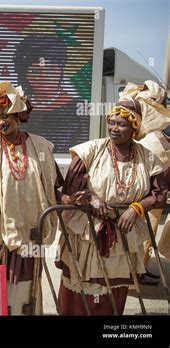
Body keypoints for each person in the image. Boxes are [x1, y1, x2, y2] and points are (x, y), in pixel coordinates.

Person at [55, 95, 168, 315]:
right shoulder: (89, 152)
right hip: (87, 232)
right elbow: (70, 192)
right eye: (111, 123)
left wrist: (136, 209)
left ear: (134, 127)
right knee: (81, 286)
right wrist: (91, 198)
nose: (114, 129)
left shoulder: (148, 158)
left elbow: (159, 194)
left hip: (124, 235)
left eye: (122, 124)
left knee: (112, 290)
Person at [0, 81, 61, 315]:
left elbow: (55, 184)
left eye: (6, 114)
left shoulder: (40, 146)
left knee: (26, 292)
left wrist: (71, 198)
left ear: (17, 113)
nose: (2, 122)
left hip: (31, 232)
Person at [129, 80, 170, 285]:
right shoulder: (151, 139)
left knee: (147, 233)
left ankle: (140, 269)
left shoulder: (156, 136)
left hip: (153, 193)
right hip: (145, 194)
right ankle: (135, 273)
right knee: (142, 233)